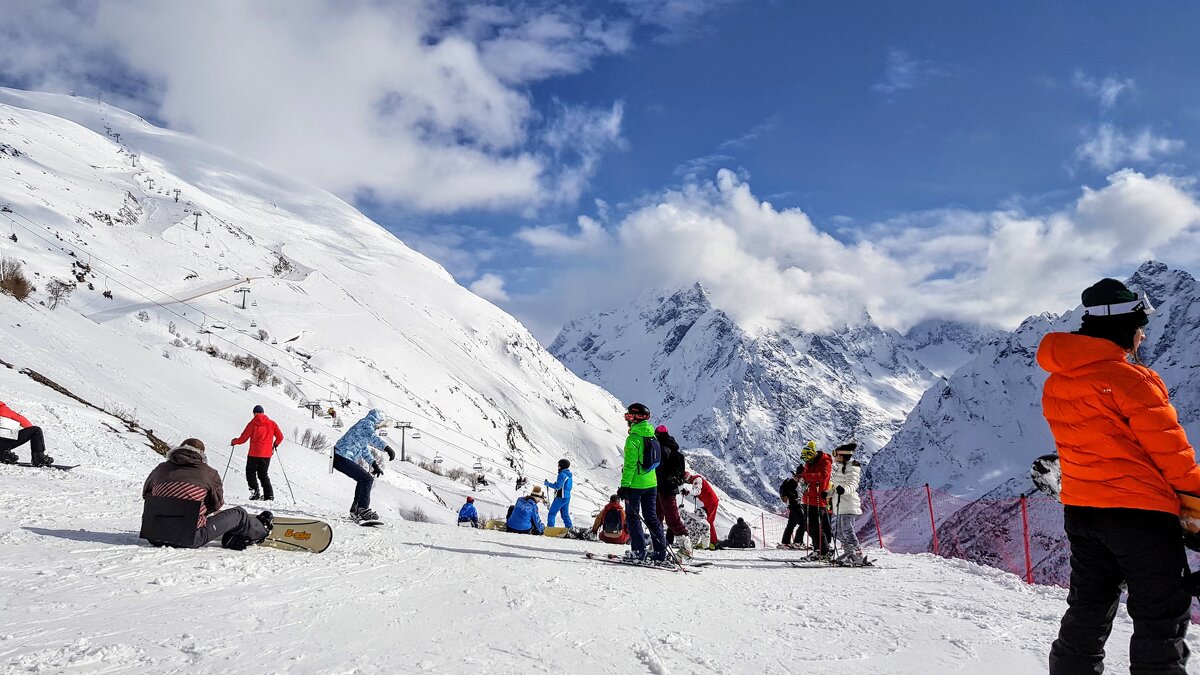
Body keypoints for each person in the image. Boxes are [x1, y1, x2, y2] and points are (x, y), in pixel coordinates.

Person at [1039, 278, 1200, 675]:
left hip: (1081, 509)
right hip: (1139, 515)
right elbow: (1172, 454)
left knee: (1088, 606)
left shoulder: (1057, 380)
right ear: (1126, 328)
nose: (1143, 336)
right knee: (1160, 614)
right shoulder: (1132, 380)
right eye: (1141, 327)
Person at [140, 438, 271, 549]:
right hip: (190, 537)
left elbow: (146, 494)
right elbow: (217, 505)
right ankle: (261, 530)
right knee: (239, 514)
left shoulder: (160, 469)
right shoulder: (209, 473)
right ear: (202, 454)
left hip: (154, 535)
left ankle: (234, 537)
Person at [618, 402, 668, 563]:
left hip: (635, 485)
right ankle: (660, 552)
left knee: (632, 517)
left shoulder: (633, 439)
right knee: (651, 517)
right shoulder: (651, 434)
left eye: (628, 416)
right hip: (651, 483)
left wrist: (624, 486)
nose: (627, 419)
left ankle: (638, 551)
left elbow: (630, 466)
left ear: (633, 418)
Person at [332, 409, 396, 522]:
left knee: (363, 479)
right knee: (367, 479)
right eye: (381, 425)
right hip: (341, 456)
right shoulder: (366, 424)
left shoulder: (362, 426)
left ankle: (356, 510)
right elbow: (373, 437)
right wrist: (387, 448)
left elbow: (364, 449)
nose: (380, 428)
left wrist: (374, 464)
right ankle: (363, 511)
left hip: (340, 457)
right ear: (378, 421)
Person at [230, 405, 284, 501]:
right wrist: (274, 445)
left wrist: (234, 441)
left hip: (254, 454)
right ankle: (269, 495)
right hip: (266, 455)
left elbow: (243, 439)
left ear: (254, 413)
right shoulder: (272, 423)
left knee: (250, 473)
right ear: (263, 413)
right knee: (263, 474)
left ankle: (255, 492)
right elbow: (280, 437)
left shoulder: (252, 424)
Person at [654, 425, 690, 550]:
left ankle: (684, 548)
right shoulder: (673, 449)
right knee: (670, 517)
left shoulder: (660, 449)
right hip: (670, 488)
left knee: (664, 518)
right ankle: (684, 546)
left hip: (660, 487)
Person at [828, 442, 864, 565]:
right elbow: (836, 487)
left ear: (843, 456)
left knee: (847, 529)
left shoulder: (852, 467)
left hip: (849, 504)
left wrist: (843, 490)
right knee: (838, 530)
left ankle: (856, 552)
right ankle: (849, 551)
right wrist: (827, 493)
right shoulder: (840, 467)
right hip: (840, 504)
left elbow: (852, 485)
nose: (834, 457)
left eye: (836, 454)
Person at [799, 441, 833, 558]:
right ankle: (818, 549)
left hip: (818, 498)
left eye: (807, 459)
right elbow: (806, 475)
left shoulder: (825, 461)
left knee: (816, 526)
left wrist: (806, 476)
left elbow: (824, 476)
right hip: (808, 497)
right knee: (809, 527)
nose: (806, 462)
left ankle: (823, 550)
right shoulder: (809, 463)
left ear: (812, 455)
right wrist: (801, 474)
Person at [0, 400, 53, 467]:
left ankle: (3, 454)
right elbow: (26, 424)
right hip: (3, 443)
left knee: (6, 431)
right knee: (36, 430)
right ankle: (38, 458)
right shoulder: (5, 410)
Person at [683, 471, 720, 549]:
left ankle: (712, 542)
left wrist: (688, 492)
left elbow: (696, 491)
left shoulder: (697, 480)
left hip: (711, 502)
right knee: (708, 521)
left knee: (708, 522)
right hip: (710, 502)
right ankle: (712, 541)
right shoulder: (696, 480)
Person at [779, 469, 806, 549]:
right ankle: (798, 542)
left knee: (791, 523)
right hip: (795, 505)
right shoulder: (793, 482)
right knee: (803, 523)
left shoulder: (788, 480)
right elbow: (792, 492)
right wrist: (796, 498)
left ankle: (785, 542)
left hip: (791, 505)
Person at [544, 459, 574, 528]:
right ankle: (569, 528)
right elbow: (564, 485)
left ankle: (550, 528)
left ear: (562, 466)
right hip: (567, 497)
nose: (558, 466)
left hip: (561, 497)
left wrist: (548, 484)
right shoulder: (569, 474)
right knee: (565, 515)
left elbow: (558, 486)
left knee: (552, 513)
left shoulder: (562, 474)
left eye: (559, 465)